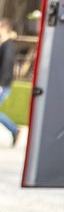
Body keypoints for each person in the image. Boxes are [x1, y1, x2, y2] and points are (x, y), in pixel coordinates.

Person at [0, 18, 20, 146]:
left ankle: (14, 129)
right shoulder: (5, 44)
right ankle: (14, 130)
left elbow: (7, 66)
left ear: (4, 28)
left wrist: (1, 85)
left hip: (3, 84)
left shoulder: (9, 45)